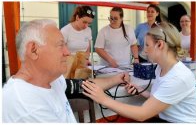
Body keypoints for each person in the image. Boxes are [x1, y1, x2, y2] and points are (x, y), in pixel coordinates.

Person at [2, 19, 135, 123]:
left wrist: (117, 79)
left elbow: (84, 86)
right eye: (61, 45)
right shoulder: (26, 104)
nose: (67, 52)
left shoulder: (53, 80)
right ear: (34, 50)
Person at [83, 22, 196, 123]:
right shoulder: (161, 67)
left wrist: (103, 99)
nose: (145, 50)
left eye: (147, 45)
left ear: (160, 44)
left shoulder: (177, 77)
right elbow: (161, 99)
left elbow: (142, 114)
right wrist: (140, 91)